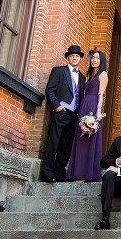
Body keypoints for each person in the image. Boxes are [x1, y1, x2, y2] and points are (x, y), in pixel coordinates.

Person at [41, 45, 86, 183]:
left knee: (66, 146)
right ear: (68, 58)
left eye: (77, 56)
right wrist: (57, 106)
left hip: (73, 115)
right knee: (53, 143)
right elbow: (50, 90)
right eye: (72, 55)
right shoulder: (59, 71)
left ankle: (59, 174)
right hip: (61, 112)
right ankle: (47, 173)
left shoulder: (82, 77)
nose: (74, 57)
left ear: (80, 59)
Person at [66, 49, 108, 181]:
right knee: (80, 138)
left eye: (97, 58)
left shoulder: (103, 74)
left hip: (93, 106)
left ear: (101, 61)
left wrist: (97, 114)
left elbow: (101, 94)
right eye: (93, 58)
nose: (94, 60)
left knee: (90, 138)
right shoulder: (90, 75)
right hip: (85, 105)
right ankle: (76, 172)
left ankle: (89, 173)